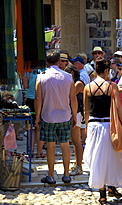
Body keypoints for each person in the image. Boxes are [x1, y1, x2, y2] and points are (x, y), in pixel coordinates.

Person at [83, 57, 122, 204]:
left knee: (97, 158)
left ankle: (102, 193)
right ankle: (112, 186)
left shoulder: (88, 87)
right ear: (107, 70)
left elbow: (86, 109)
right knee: (112, 158)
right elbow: (119, 108)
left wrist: (86, 126)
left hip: (93, 125)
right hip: (109, 126)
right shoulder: (111, 86)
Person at [35, 49, 77, 184]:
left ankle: (51, 175)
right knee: (65, 145)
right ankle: (66, 174)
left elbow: (38, 98)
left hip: (48, 115)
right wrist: (74, 114)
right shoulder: (68, 77)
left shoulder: (41, 76)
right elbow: (73, 98)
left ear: (46, 61)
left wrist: (37, 117)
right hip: (65, 114)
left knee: (51, 145)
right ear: (59, 61)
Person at [64, 64, 85, 176]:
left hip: (77, 113)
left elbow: (69, 96)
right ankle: (77, 163)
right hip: (73, 113)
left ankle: (79, 166)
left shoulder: (78, 83)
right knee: (74, 141)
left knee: (77, 141)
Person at [23, 69, 45, 158]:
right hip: (42, 100)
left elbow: (25, 86)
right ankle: (39, 152)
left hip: (30, 100)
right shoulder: (45, 71)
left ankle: (30, 151)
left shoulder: (27, 71)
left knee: (31, 127)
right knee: (40, 127)